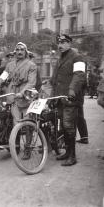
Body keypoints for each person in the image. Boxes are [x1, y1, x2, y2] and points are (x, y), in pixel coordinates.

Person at [50, 34, 86, 166]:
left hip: (71, 98)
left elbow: (79, 75)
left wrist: (71, 90)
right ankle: (67, 152)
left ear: (70, 43)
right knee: (64, 127)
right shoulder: (60, 59)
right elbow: (55, 80)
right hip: (60, 99)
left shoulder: (77, 57)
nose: (60, 45)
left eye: (64, 42)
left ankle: (72, 156)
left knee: (69, 126)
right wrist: (50, 93)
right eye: (59, 42)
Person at [0, 42, 37, 125]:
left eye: (22, 50)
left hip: (25, 96)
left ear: (25, 52)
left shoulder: (31, 65)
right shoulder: (10, 65)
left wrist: (22, 93)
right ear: (15, 52)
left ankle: (28, 137)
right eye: (17, 50)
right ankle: (14, 137)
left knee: (27, 123)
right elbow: (2, 77)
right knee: (15, 122)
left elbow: (31, 83)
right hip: (13, 96)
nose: (19, 52)